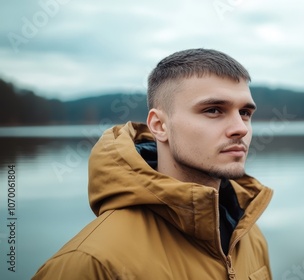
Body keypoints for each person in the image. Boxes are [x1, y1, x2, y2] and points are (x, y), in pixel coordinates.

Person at [32, 48, 274, 279]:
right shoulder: (92, 262)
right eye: (213, 110)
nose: (240, 129)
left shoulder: (249, 235)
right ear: (159, 126)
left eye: (245, 113)